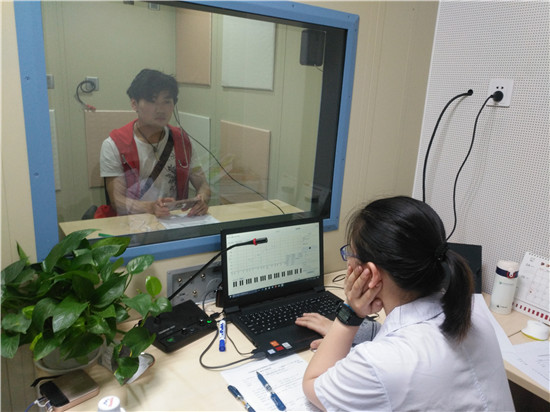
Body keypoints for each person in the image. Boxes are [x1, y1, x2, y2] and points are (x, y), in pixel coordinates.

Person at [301, 196, 514, 411]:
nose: (348, 260)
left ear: (370, 274)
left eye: (350, 253)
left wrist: (349, 317)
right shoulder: (473, 310)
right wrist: (350, 335)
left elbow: (313, 384)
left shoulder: (378, 364)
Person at [100, 69, 210, 218]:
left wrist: (202, 199)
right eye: (152, 101)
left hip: (174, 222)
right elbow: (117, 201)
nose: (160, 110)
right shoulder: (114, 145)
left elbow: (202, 183)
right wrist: (150, 207)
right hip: (132, 224)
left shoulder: (183, 141)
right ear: (134, 104)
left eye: (167, 102)